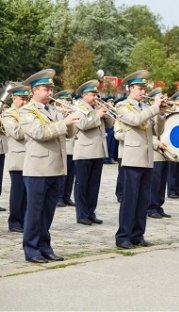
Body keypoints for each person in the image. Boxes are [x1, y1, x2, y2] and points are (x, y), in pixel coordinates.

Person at [20, 69, 79, 263]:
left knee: (48, 212)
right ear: (35, 90)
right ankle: (31, 249)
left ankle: (45, 246)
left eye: (51, 89)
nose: (50, 93)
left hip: (55, 167)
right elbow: (39, 133)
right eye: (46, 89)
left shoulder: (54, 110)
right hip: (37, 169)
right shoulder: (27, 110)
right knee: (34, 212)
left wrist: (71, 122)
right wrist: (64, 123)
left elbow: (69, 135)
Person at [114, 70, 164, 249]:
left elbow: (157, 131)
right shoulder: (123, 106)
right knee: (130, 199)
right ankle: (123, 236)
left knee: (143, 198)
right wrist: (154, 108)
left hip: (147, 157)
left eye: (144, 88)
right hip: (132, 158)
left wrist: (161, 115)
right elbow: (135, 121)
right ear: (130, 89)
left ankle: (137, 234)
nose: (143, 91)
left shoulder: (146, 107)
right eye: (140, 88)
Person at [73, 80, 114, 225]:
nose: (96, 97)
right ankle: (81, 214)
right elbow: (82, 124)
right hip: (84, 151)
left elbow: (110, 125)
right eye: (92, 94)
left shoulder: (97, 107)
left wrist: (106, 113)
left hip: (98, 150)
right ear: (84, 95)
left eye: (97, 94)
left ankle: (91, 212)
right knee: (82, 185)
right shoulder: (78, 107)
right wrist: (97, 115)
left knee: (94, 185)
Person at [2, 85, 31, 232]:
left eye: (27, 99)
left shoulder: (29, 112)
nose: (25, 102)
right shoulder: (9, 114)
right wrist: (31, 123)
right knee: (18, 192)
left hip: (31, 158)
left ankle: (25, 220)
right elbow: (17, 133)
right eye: (22, 99)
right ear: (14, 99)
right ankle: (14, 221)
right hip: (18, 159)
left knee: (28, 193)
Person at [147, 87, 171, 219]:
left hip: (165, 152)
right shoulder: (149, 113)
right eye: (160, 98)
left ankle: (159, 205)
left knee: (162, 183)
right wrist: (157, 145)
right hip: (155, 151)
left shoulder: (162, 113)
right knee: (154, 183)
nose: (164, 101)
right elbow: (151, 134)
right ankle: (151, 207)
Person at [54, 90, 76, 207]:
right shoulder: (57, 112)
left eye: (69, 100)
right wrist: (64, 114)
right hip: (64, 147)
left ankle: (67, 196)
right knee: (63, 175)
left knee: (71, 174)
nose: (68, 103)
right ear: (60, 101)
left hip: (73, 147)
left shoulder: (72, 111)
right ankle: (59, 197)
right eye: (65, 100)